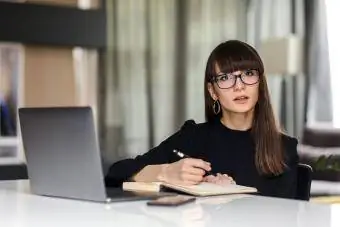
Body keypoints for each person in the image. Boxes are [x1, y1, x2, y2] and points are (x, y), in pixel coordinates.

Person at [105, 40, 299, 199]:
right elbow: (116, 172)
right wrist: (165, 173)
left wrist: (230, 192)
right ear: (212, 91)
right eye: (225, 78)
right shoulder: (192, 137)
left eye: (248, 74)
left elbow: (286, 216)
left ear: (260, 84)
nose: (239, 87)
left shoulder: (285, 148)